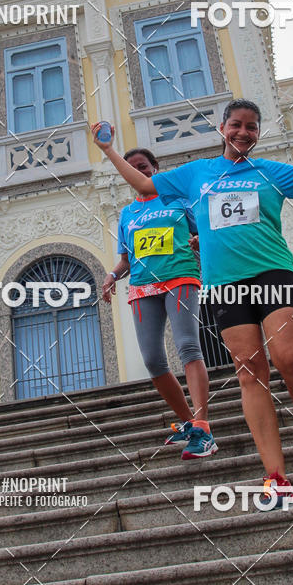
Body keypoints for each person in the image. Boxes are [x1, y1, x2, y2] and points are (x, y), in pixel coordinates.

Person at [92, 100, 293, 505]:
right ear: (222, 128)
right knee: (249, 371)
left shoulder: (270, 170)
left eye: (251, 127)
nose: (243, 132)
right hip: (224, 282)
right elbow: (145, 186)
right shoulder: (197, 173)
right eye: (236, 125)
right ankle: (275, 476)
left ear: (258, 133)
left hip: (271, 271)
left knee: (289, 357)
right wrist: (108, 149)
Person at [102, 147, 216, 459]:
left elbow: (205, 231)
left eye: (143, 166)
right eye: (132, 168)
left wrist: (200, 241)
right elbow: (126, 260)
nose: (138, 172)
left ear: (155, 167)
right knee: (153, 360)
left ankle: (203, 427)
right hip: (142, 286)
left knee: (188, 346)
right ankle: (189, 422)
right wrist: (112, 275)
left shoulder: (178, 200)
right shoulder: (127, 214)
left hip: (180, 276)